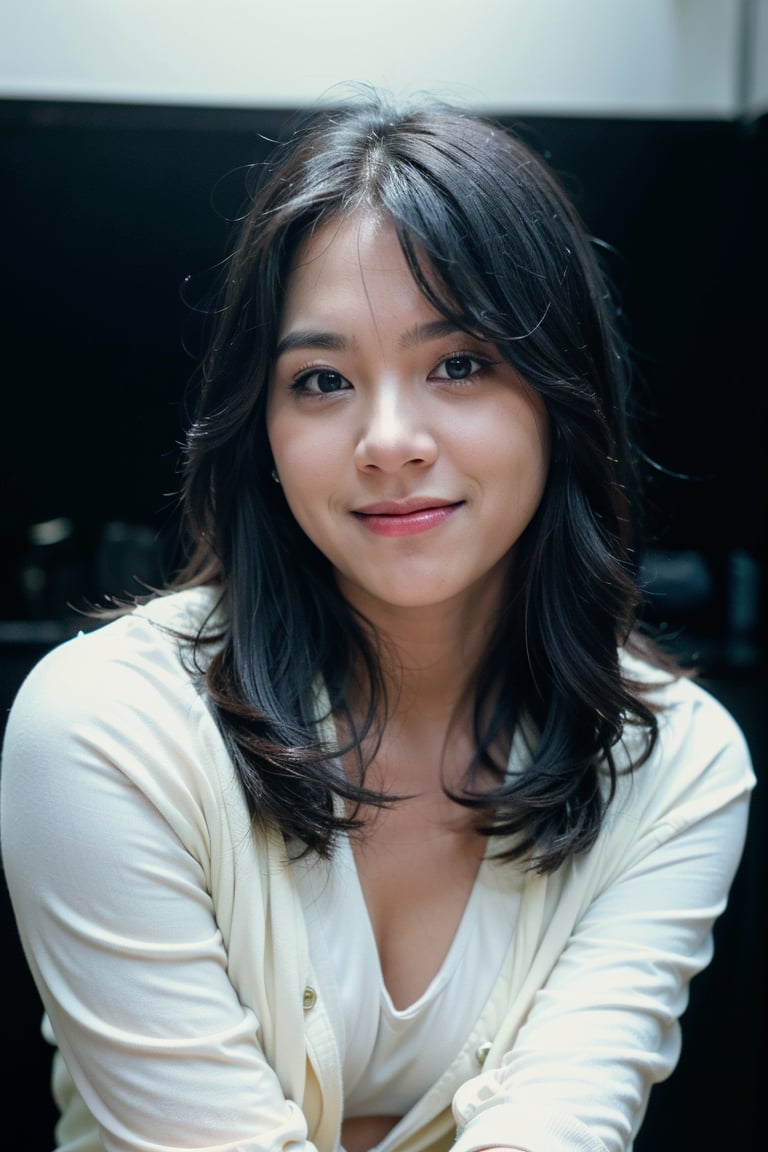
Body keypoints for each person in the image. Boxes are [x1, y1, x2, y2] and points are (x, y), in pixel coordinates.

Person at [0, 89, 755, 1152]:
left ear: (560, 393)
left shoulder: (672, 763)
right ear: (258, 427)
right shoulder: (105, 731)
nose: (388, 439)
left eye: (458, 364)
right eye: (321, 380)